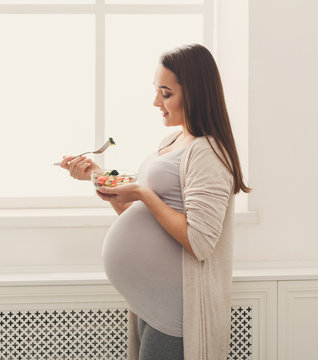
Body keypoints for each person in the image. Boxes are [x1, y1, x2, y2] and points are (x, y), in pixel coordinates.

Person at [59, 44, 251, 360]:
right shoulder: (173, 141)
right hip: (152, 304)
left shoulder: (208, 153)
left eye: (166, 93)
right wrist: (97, 176)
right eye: (156, 90)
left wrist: (143, 194)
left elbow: (200, 241)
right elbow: (144, 217)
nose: (155, 102)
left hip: (178, 313)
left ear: (195, 94)